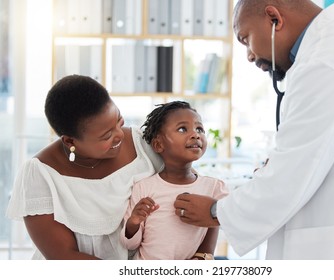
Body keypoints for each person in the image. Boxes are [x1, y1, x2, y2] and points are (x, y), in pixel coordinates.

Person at [174, 0, 334, 260]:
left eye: (246, 39)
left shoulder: (325, 61)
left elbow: (293, 172)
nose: (250, 55)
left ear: (274, 18)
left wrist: (215, 212)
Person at [5, 75, 214, 259]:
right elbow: (63, 256)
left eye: (118, 120)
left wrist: (202, 258)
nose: (119, 135)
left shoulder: (145, 145)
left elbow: (201, 199)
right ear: (70, 142)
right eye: (106, 136)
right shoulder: (40, 174)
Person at [120, 101, 229, 260]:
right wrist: (133, 223)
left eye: (199, 129)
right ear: (158, 144)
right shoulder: (143, 188)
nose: (195, 134)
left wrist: (204, 258)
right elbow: (129, 244)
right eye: (182, 129)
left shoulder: (215, 188)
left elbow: (231, 223)